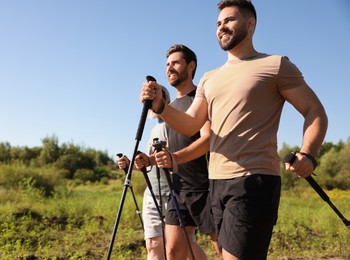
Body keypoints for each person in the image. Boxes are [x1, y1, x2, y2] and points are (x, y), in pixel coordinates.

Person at [140, 1, 328, 259]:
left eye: (229, 20)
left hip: (254, 180)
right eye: (218, 23)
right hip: (217, 183)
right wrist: (162, 106)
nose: (221, 27)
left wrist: (308, 153)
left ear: (250, 24)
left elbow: (315, 111)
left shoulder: (275, 65)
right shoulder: (209, 78)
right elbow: (191, 123)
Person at [135, 44, 219, 259]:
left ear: (191, 66)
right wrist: (151, 160)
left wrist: (175, 158)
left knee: (224, 251)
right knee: (173, 252)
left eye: (175, 63)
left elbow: (207, 140)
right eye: (167, 64)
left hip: (205, 189)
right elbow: (174, 147)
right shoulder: (171, 109)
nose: (169, 68)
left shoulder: (199, 100)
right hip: (178, 188)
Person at [117, 86, 171, 260]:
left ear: (164, 99)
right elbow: (148, 165)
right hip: (152, 194)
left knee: (179, 247)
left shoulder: (176, 124)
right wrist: (130, 164)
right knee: (153, 246)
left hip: (173, 194)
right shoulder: (154, 130)